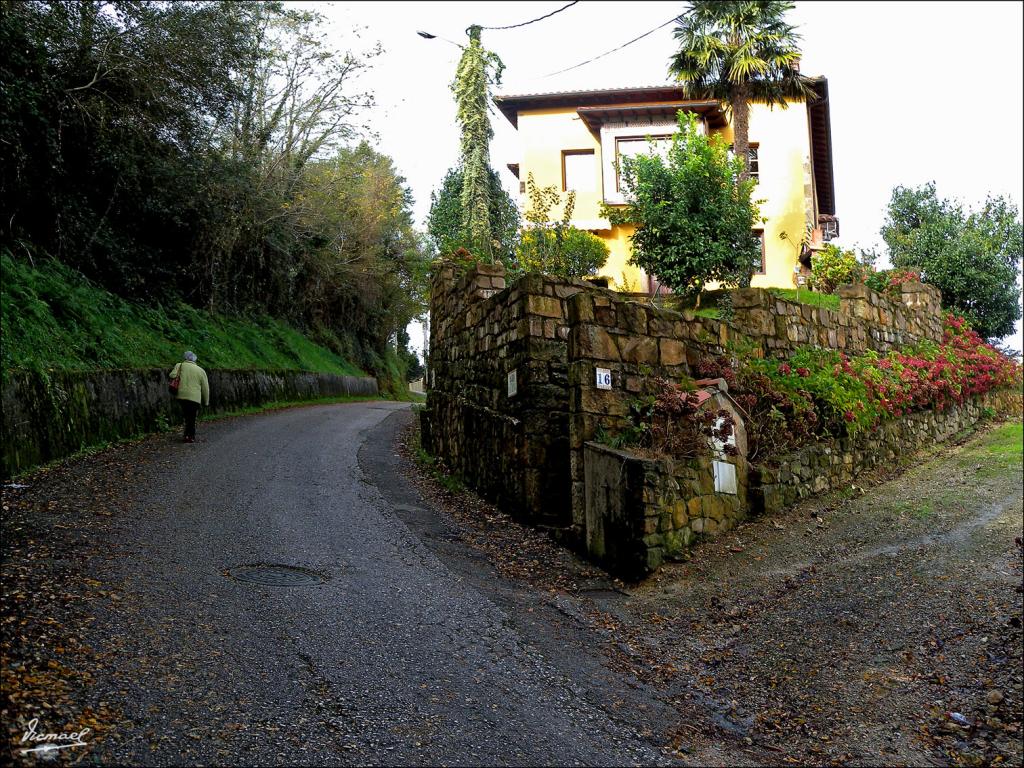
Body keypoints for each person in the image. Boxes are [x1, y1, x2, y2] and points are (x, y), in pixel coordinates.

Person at [169, 351, 210, 443]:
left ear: (185, 358)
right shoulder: (201, 370)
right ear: (195, 359)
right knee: (191, 417)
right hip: (194, 398)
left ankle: (186, 435)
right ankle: (190, 436)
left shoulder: (180, 365)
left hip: (181, 396)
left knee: (187, 416)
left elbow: (172, 375)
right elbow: (205, 388)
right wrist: (206, 402)